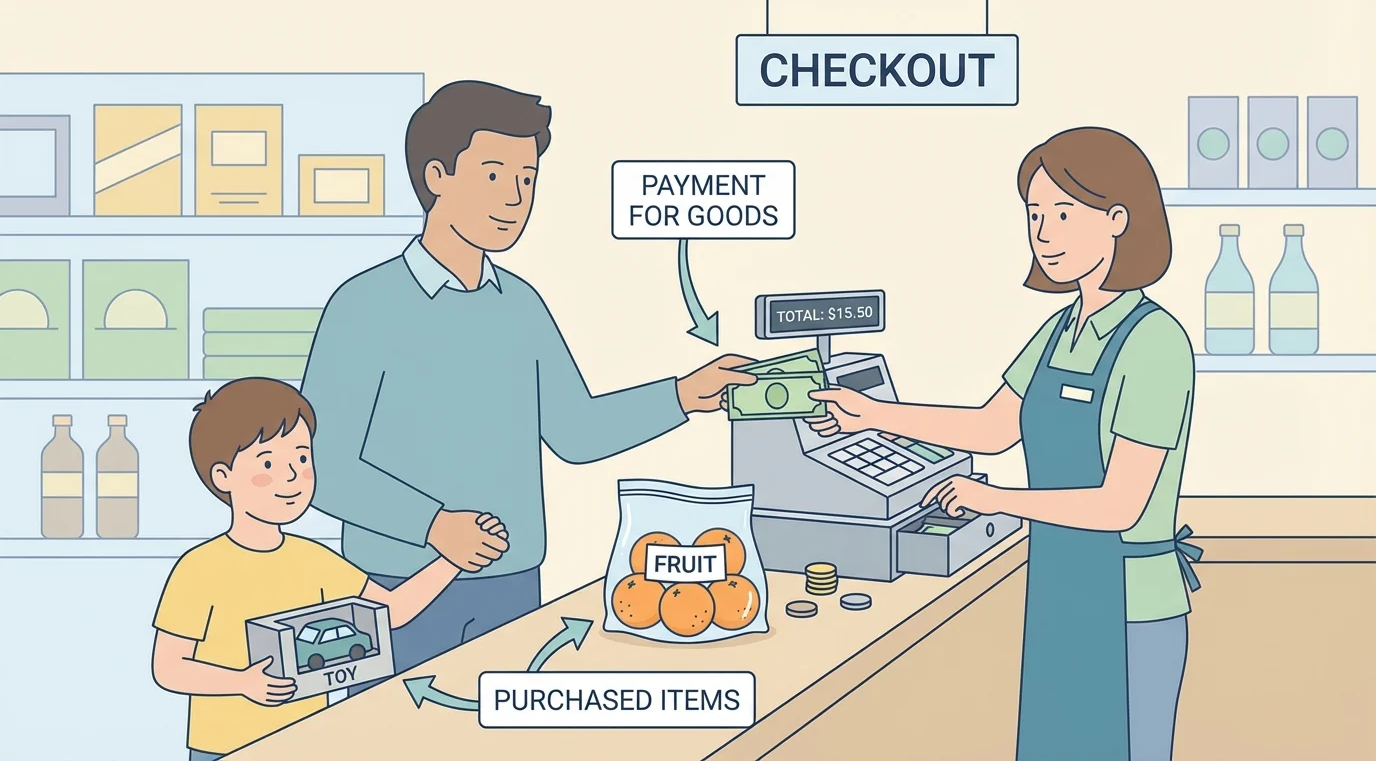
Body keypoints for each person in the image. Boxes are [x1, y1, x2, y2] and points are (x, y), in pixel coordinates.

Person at [301, 80, 755, 692]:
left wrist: (680, 395)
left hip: (512, 585)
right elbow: (321, 467)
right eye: (493, 175)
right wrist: (434, 525)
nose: (515, 198)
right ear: (437, 175)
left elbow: (575, 430)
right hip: (392, 587)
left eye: (527, 178)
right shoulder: (363, 307)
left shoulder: (520, 306)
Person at [807, 127, 1202, 761]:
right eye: (1035, 214)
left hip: (1131, 607)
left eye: (1064, 214)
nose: (1044, 233)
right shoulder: (1057, 331)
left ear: (1118, 220)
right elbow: (993, 428)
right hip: (1060, 588)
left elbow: (1119, 506)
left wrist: (996, 499)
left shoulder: (1155, 344)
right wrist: (872, 415)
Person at [150, 378, 493, 761]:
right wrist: (242, 683)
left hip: (307, 743)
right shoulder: (200, 569)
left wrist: (453, 561)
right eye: (268, 463)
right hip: (223, 748)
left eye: (300, 457)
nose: (292, 475)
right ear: (223, 477)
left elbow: (391, 612)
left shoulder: (315, 561)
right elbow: (168, 668)